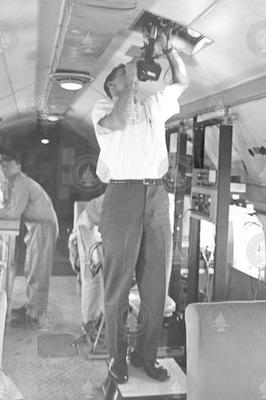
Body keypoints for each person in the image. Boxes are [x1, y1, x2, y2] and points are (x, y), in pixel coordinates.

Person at [91, 32, 189, 383]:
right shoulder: (102, 109)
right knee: (118, 283)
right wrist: (131, 81)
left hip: (156, 196)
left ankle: (145, 355)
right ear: (112, 86)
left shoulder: (154, 105)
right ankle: (116, 358)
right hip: (121, 197)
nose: (130, 74)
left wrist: (170, 51)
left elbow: (182, 79)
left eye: (128, 72)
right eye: (123, 74)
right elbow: (118, 121)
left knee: (155, 285)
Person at [0, 148, 59, 326]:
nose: (4, 168)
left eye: (8, 164)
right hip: (37, 226)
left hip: (43, 226)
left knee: (38, 271)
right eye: (1, 165)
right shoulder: (15, 182)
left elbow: (13, 212)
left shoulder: (20, 181)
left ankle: (35, 316)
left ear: (17, 165)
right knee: (31, 268)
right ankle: (32, 306)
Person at [68, 193, 105, 338]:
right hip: (88, 226)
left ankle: (97, 318)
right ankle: (88, 322)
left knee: (101, 278)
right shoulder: (122, 190)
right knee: (92, 278)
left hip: (98, 228)